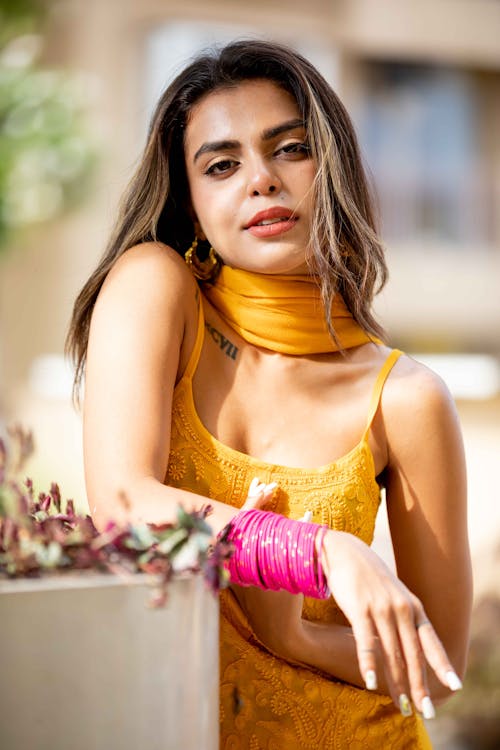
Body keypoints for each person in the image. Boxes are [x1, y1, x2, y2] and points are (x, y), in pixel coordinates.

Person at [67, 40, 472, 749]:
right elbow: (123, 502)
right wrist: (319, 553)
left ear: (335, 166)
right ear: (192, 206)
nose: (260, 180)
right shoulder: (157, 290)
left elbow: (436, 673)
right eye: (221, 164)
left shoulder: (407, 398)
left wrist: (298, 639)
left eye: (290, 149)